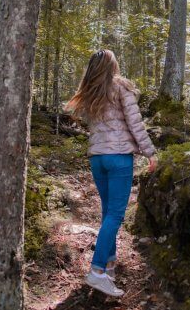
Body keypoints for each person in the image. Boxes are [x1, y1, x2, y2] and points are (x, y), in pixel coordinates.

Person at [64, 49, 158, 297]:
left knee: (107, 213)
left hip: (98, 159)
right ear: (112, 66)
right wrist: (150, 152)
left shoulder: (90, 92)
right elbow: (134, 122)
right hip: (118, 159)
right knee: (115, 216)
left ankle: (108, 264)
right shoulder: (120, 87)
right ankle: (96, 271)